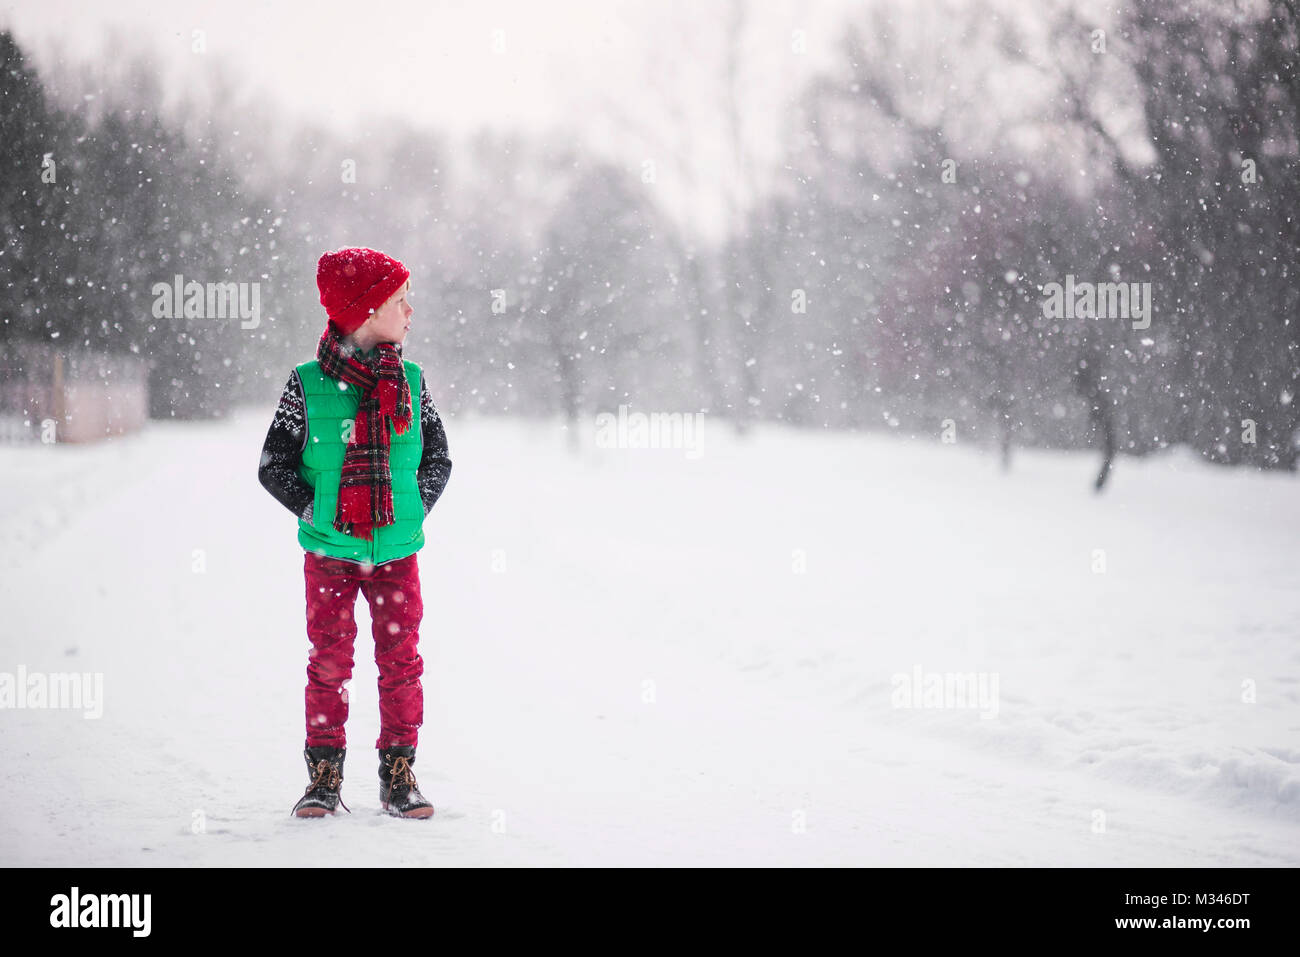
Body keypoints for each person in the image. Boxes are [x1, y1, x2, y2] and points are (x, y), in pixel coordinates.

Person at [257, 247, 452, 818]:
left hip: (397, 554)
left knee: (401, 662)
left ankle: (399, 775)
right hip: (330, 554)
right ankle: (324, 777)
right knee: (330, 662)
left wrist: (413, 509)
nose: (410, 310)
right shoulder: (307, 384)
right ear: (366, 311)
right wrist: (317, 512)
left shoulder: (412, 384)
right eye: (399, 300)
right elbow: (273, 465)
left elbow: (438, 458)